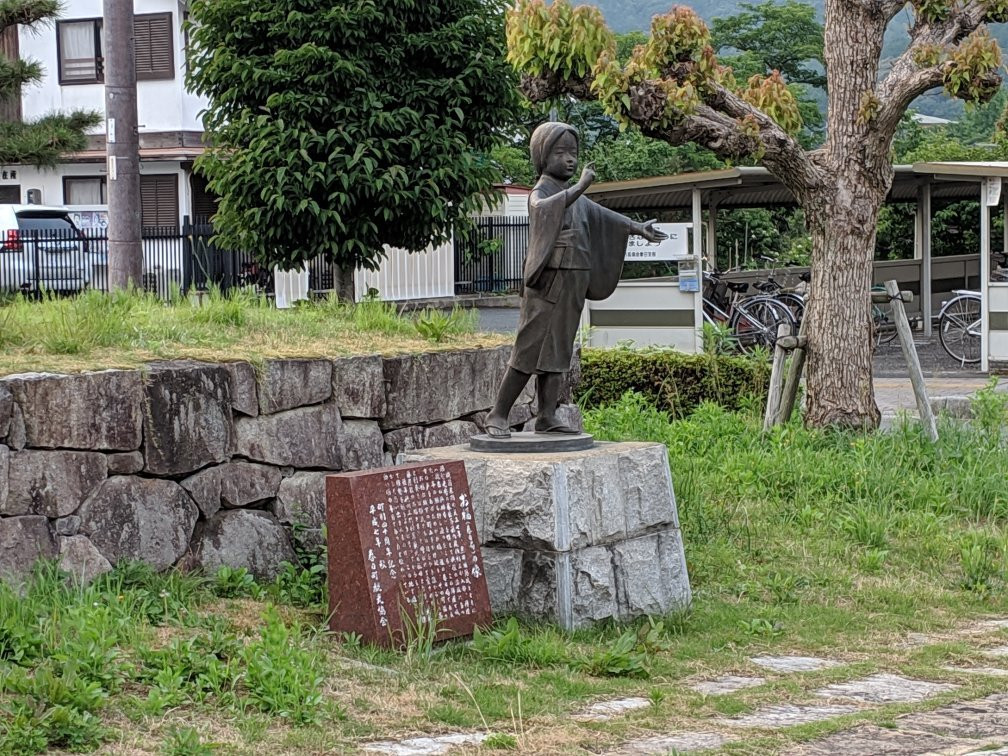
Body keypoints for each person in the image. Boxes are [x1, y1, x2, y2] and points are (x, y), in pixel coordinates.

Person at [485, 121, 666, 437]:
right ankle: (498, 415)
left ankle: (546, 416)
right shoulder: (544, 190)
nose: (570, 159)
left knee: (559, 349)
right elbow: (541, 209)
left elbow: (606, 217)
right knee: (530, 346)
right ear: (543, 155)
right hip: (549, 281)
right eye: (561, 152)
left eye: (574, 153)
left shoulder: (575, 198)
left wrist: (638, 228)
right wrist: (580, 186)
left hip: (574, 279)